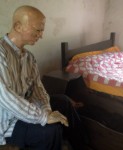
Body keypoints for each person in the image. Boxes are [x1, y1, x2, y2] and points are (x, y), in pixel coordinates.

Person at [0, 5, 85, 150]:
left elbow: (38, 88)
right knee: (49, 130)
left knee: (64, 101)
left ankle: (80, 145)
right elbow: (5, 96)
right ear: (18, 26)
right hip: (8, 120)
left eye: (42, 30)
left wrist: (47, 110)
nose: (41, 35)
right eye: (37, 30)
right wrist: (43, 117)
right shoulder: (2, 53)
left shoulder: (28, 57)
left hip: (26, 108)